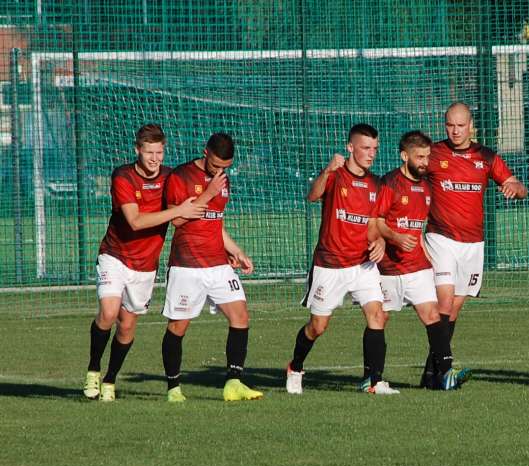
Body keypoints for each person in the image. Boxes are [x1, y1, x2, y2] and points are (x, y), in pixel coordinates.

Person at [84, 124, 204, 402]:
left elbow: (189, 215)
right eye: (149, 152)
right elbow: (135, 221)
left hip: (146, 265)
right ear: (137, 150)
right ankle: (92, 370)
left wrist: (228, 247)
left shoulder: (170, 177)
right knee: (109, 312)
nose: (154, 158)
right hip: (114, 256)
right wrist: (178, 210)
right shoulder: (123, 176)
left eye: (159, 152)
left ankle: (110, 380)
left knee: (126, 326)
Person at [422, 102, 528, 387]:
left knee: (454, 309)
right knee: (443, 302)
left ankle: (431, 372)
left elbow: (518, 185)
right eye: (449, 125)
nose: (454, 131)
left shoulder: (486, 157)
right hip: (440, 237)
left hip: (473, 244)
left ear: (471, 126)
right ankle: (445, 372)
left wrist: (515, 188)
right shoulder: (434, 153)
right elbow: (407, 173)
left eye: (460, 125)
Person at [287, 123, 396, 395]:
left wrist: (380, 241)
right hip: (330, 265)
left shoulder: (376, 183)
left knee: (377, 314)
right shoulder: (335, 176)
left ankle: (375, 381)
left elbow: (374, 223)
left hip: (363, 265)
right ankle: (295, 366)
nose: (371, 154)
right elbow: (312, 196)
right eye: (365, 148)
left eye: (374, 149)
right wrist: (327, 169)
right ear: (350, 147)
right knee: (318, 326)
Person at [161, 132, 263, 402]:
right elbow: (178, 221)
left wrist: (237, 251)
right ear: (205, 152)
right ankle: (173, 389)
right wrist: (208, 193)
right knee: (178, 327)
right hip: (187, 265)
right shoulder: (180, 176)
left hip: (218, 263)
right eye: (216, 165)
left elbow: (215, 222)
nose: (220, 171)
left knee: (240, 316)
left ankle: (234, 383)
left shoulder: (222, 180)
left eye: (225, 167)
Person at [374, 130, 471, 390]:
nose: (425, 162)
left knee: (432, 315)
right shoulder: (389, 184)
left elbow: (417, 229)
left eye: (428, 157)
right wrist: (393, 237)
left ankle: (447, 373)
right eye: (420, 157)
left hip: (417, 266)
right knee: (379, 319)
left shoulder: (426, 186)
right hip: (389, 267)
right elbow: (376, 223)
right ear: (404, 156)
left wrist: (427, 254)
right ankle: (372, 379)